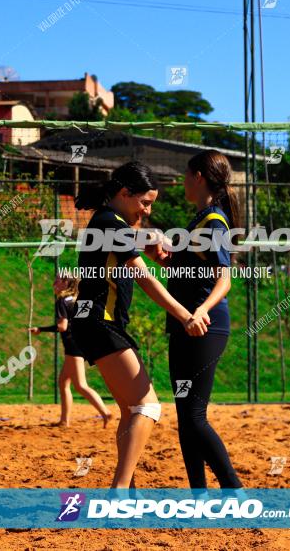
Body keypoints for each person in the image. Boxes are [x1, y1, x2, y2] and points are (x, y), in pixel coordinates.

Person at [70, 161, 209, 493]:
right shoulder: (110, 223)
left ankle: (126, 491)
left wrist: (150, 239)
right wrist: (184, 314)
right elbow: (144, 278)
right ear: (124, 193)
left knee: (131, 410)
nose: (147, 210)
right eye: (144, 202)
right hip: (100, 324)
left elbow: (130, 239)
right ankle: (119, 491)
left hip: (95, 323)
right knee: (148, 406)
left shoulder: (109, 220)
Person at [144, 150, 244, 493]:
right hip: (186, 324)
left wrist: (201, 310)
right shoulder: (199, 220)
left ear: (199, 176)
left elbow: (224, 279)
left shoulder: (214, 221)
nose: (182, 181)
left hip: (205, 325)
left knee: (195, 417)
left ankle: (235, 492)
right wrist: (163, 259)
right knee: (186, 419)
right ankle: (199, 497)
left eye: (186, 174)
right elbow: (190, 273)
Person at [31, 274, 112, 428]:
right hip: (82, 343)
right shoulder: (80, 298)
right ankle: (64, 421)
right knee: (63, 382)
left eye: (57, 280)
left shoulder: (62, 300)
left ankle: (105, 412)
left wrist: (41, 329)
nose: (54, 283)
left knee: (81, 385)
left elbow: (63, 326)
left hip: (73, 346)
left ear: (66, 283)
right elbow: (86, 323)